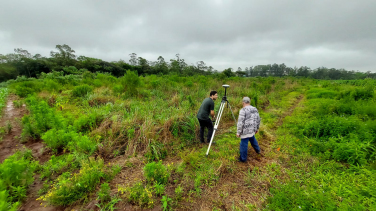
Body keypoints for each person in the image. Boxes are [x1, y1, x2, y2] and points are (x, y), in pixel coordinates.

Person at [236, 96, 261, 162]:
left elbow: (240, 122)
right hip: (252, 130)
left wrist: (238, 132)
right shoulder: (254, 109)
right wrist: (256, 128)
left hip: (245, 132)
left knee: (243, 145)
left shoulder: (243, 110)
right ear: (249, 102)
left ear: (243, 103)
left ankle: (243, 159)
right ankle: (258, 150)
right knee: (252, 139)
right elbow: (258, 119)